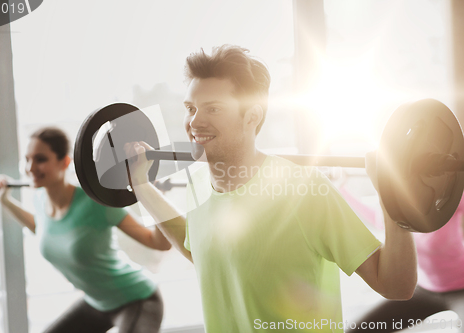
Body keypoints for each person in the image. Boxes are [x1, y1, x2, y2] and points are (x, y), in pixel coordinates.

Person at [126, 45, 417, 332]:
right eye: (190, 108)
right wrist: (141, 186)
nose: (194, 122)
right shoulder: (198, 185)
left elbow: (395, 285)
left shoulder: (305, 191)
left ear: (251, 116)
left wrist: (393, 197)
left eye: (213, 109)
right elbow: (202, 252)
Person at [0, 127, 171, 333]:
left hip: (136, 299)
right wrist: (6, 201)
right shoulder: (40, 201)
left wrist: (156, 195)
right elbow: (45, 229)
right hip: (97, 303)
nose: (30, 168)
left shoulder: (95, 203)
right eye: (27, 159)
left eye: (40, 159)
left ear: (65, 162)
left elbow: (159, 243)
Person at [339, 184, 464, 332]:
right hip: (424, 290)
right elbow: (377, 219)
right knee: (356, 330)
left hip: (460, 290)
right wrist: (341, 189)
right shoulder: (400, 207)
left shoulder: (451, 201)